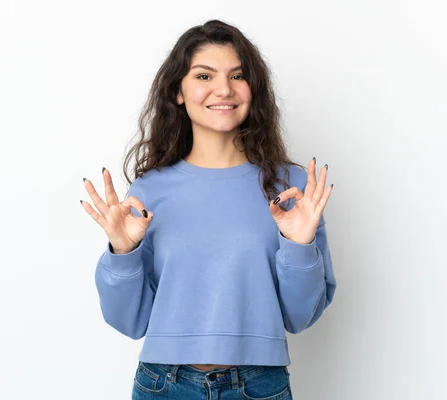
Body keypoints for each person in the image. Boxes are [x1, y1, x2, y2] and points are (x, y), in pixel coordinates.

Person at [81, 19, 336, 400]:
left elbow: (300, 316)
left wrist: (298, 246)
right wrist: (122, 253)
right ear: (178, 92)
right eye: (204, 75)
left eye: (238, 76)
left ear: (254, 90)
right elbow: (128, 321)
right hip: (163, 385)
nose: (223, 89)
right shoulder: (150, 189)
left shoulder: (291, 188)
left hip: (259, 386)